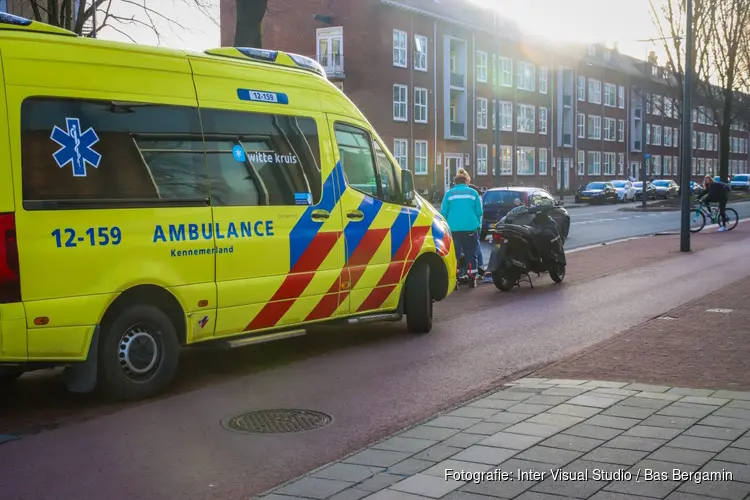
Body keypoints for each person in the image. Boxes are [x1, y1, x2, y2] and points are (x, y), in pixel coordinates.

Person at [441, 169, 483, 286]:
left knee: (455, 256)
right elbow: (479, 212)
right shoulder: (473, 193)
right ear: (466, 182)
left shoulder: (449, 194)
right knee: (471, 254)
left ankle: (454, 281)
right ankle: (472, 278)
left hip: (453, 230)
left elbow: (443, 213)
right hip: (470, 229)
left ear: (455, 183)